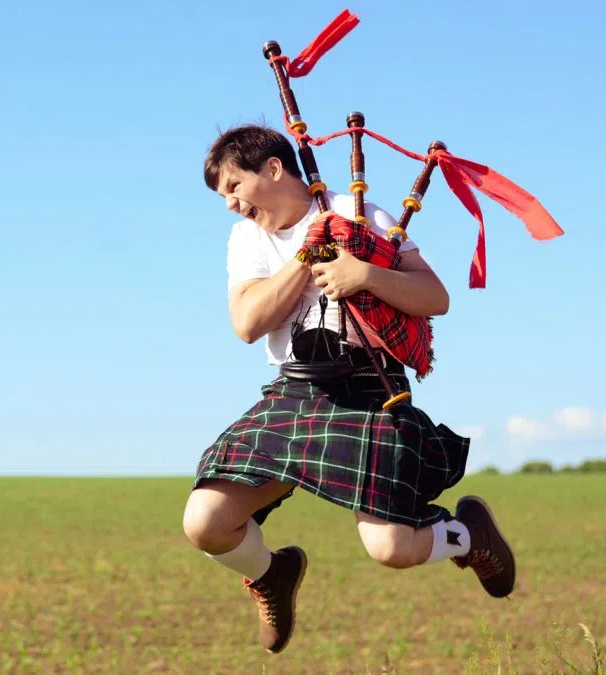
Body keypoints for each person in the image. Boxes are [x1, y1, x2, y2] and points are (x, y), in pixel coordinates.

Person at [182, 123, 517, 654]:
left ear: (273, 168)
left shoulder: (361, 214)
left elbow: (436, 297)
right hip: (296, 391)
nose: (230, 204)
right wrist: (306, 256)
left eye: (233, 187)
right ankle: (271, 574)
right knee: (206, 522)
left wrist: (364, 275)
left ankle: (467, 536)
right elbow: (247, 323)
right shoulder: (247, 238)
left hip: (370, 392)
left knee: (391, 548)